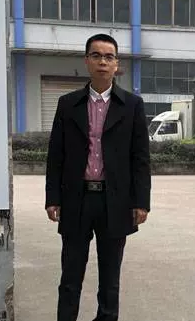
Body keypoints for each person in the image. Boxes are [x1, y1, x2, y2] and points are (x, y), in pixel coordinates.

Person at [45, 33, 151, 321]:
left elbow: (140, 158)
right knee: (70, 276)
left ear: (116, 64)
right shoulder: (68, 104)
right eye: (96, 55)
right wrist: (53, 197)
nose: (102, 62)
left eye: (108, 56)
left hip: (114, 201)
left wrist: (141, 202)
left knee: (110, 278)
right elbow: (56, 155)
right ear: (87, 61)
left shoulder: (132, 105)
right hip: (76, 200)